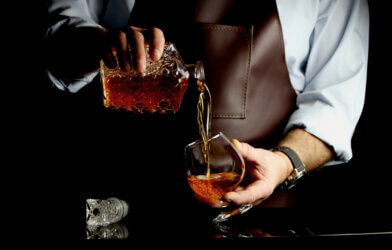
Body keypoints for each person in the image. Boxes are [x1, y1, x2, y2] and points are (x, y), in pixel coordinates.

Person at [44, 0, 369, 207]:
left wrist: (283, 163)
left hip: (256, 216)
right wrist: (99, 44)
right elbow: (54, 39)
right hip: (122, 204)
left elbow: (335, 106)